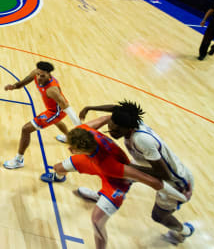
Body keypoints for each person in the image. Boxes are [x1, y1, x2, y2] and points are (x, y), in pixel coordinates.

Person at [40, 119, 188, 249]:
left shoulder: (112, 167)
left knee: (97, 222)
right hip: (94, 161)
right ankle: (61, 178)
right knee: (58, 167)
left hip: (116, 180)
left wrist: (180, 196)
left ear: (81, 149)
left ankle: (183, 231)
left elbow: (153, 181)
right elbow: (107, 117)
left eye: (72, 148)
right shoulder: (84, 131)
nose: (69, 149)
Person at [76, 101, 194, 244]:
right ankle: (103, 196)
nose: (112, 132)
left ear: (129, 128)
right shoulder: (130, 119)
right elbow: (117, 108)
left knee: (159, 216)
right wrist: (91, 106)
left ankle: (184, 231)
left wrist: (128, 168)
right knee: (116, 175)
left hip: (175, 181)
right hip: (152, 166)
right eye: (110, 127)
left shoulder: (141, 140)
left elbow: (164, 174)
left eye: (117, 131)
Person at [2, 61, 82, 169]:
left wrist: (79, 126)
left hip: (56, 112)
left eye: (42, 76)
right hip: (51, 108)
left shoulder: (52, 90)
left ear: (49, 75)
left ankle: (18, 160)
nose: (39, 77)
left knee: (26, 129)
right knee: (56, 122)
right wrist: (14, 86)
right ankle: (70, 138)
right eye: (38, 74)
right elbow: (25, 81)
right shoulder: (36, 73)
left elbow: (66, 106)